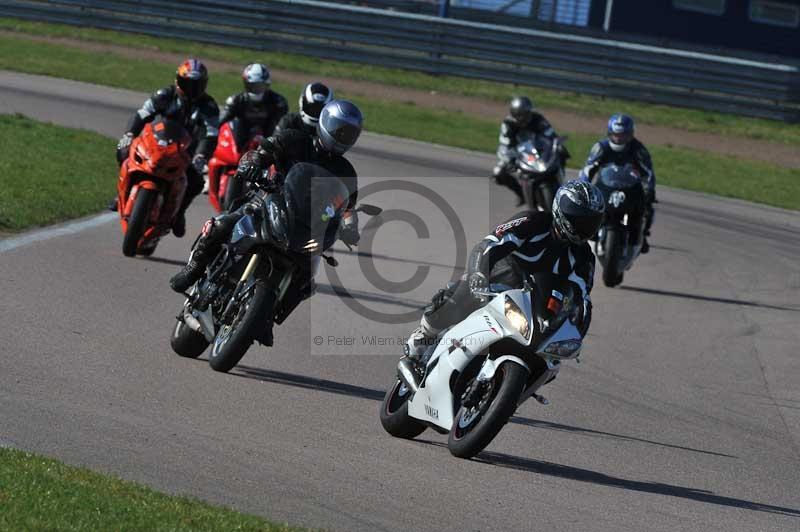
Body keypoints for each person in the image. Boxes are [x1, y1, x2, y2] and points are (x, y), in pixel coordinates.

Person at [169, 99, 364, 303]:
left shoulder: (346, 172)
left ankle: (266, 321)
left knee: (306, 282)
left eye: (349, 133)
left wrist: (350, 226)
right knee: (222, 225)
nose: (343, 136)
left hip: (308, 225)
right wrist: (253, 162)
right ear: (325, 123)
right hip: (268, 200)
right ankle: (193, 269)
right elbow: (262, 152)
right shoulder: (294, 139)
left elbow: (347, 206)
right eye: (339, 129)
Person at [402, 180, 604, 369]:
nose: (584, 227)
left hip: (535, 309)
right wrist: (478, 274)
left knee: (549, 363)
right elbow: (489, 244)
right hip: (496, 284)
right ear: (562, 210)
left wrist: (576, 334)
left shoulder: (584, 257)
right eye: (579, 218)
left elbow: (582, 300)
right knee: (457, 297)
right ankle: (423, 337)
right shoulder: (533, 221)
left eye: (591, 221)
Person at [114, 59, 219, 237]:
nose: (191, 90)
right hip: (156, 144)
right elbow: (142, 115)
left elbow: (210, 134)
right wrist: (130, 134)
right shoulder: (164, 95)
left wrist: (201, 155)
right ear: (178, 81)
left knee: (196, 181)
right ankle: (120, 195)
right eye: (188, 84)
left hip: (186, 152)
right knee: (123, 151)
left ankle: (178, 214)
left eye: (196, 85)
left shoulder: (209, 107)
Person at [578, 114, 655, 253]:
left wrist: (649, 189)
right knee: (588, 205)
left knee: (647, 208)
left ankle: (641, 237)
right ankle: (587, 233)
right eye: (616, 135)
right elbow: (588, 168)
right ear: (609, 133)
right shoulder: (601, 147)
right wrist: (583, 186)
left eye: (623, 135)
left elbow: (648, 172)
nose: (619, 138)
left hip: (631, 187)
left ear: (630, 135)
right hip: (605, 185)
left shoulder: (638, 149)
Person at [493, 96, 568, 205]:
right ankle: (521, 194)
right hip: (519, 154)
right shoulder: (508, 124)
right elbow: (505, 145)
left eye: (528, 113)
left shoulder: (537, 119)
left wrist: (557, 145)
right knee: (498, 173)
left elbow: (551, 134)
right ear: (515, 114)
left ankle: (562, 185)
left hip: (539, 151)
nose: (526, 117)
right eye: (522, 115)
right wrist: (508, 159)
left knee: (562, 153)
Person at [219, 63, 288, 148]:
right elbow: (219, 122)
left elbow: (285, 127)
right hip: (240, 140)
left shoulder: (278, 102)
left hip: (269, 140)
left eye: (259, 86)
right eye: (252, 86)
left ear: (266, 85)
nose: (255, 89)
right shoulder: (236, 100)